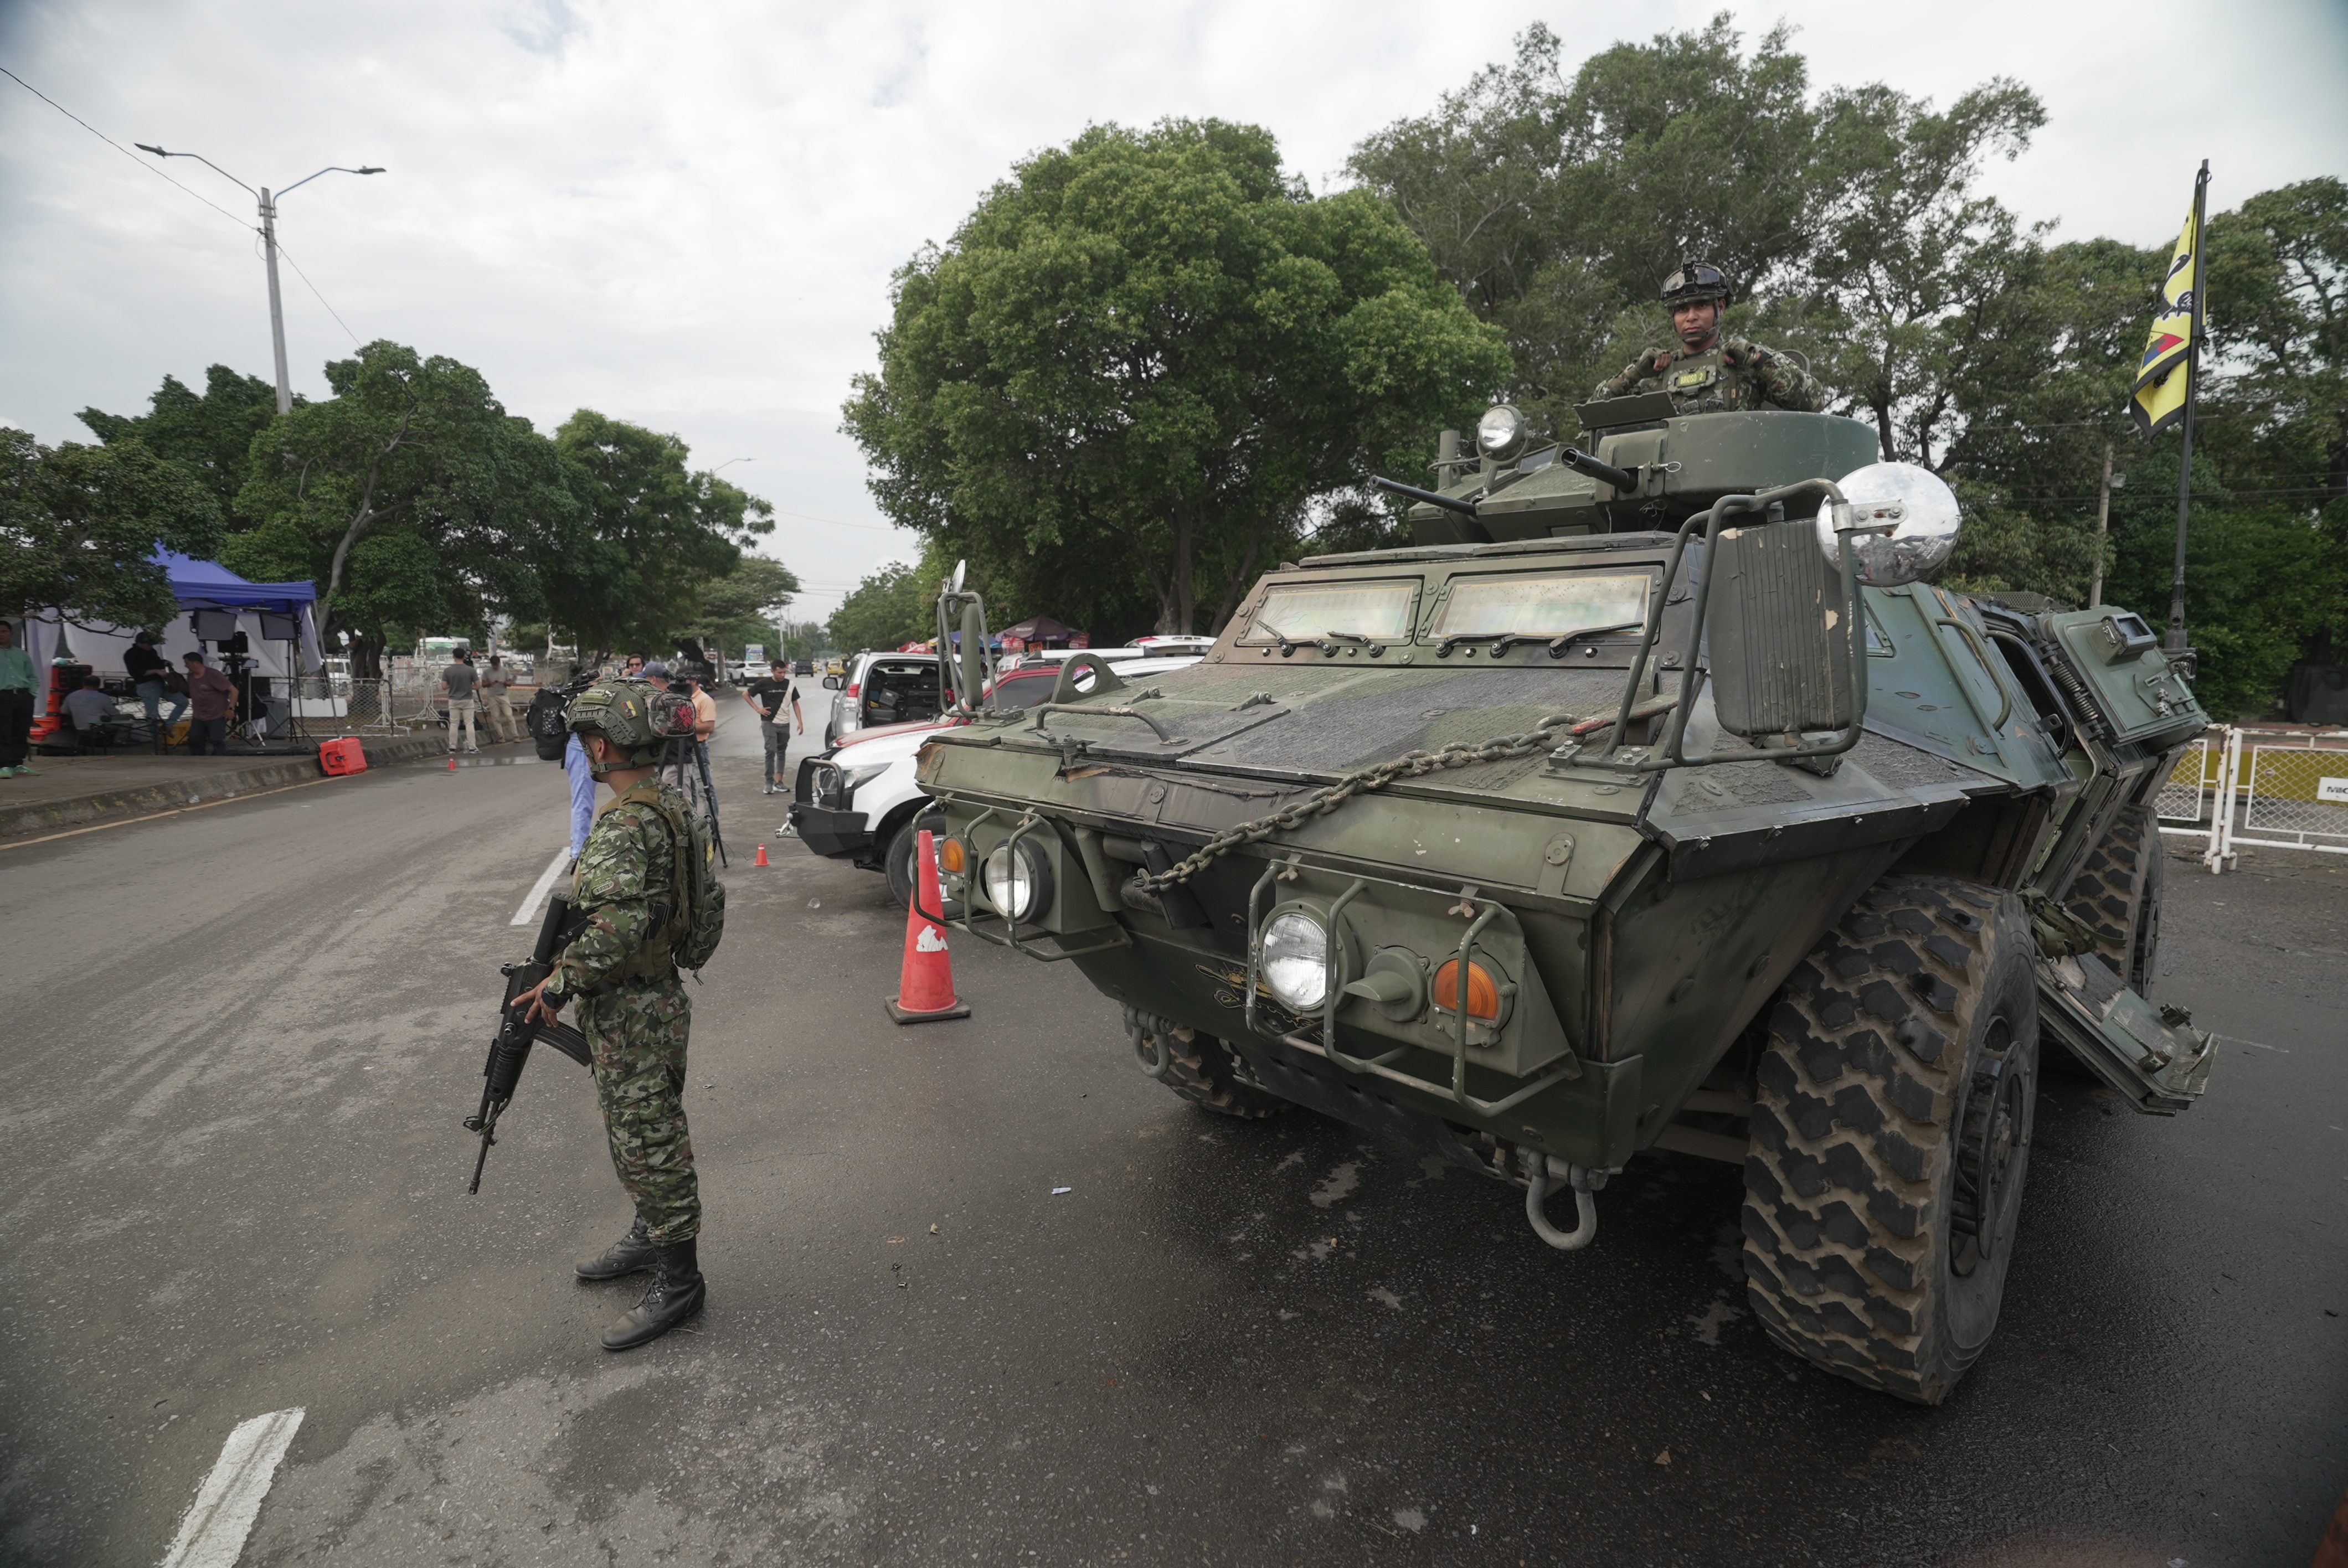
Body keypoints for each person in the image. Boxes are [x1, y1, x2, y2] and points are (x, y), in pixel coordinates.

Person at [514, 679, 707, 1350]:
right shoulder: (667, 803)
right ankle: (651, 1236)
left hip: (634, 1008)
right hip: (648, 999)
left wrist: (560, 983)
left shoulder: (628, 821)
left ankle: (679, 1280)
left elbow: (622, 922)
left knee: (651, 1142)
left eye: (582, 742)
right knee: (636, 1134)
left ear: (600, 745)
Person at [1592, 260, 1824, 414]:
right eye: (1682, 310)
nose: (1691, 317)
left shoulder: (1746, 365)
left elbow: (1812, 402)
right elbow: (1594, 414)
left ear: (1720, 308)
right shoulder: (1656, 375)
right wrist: (1635, 373)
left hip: (1737, 481)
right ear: (1673, 317)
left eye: (1701, 306)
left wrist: (1759, 357)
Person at [743, 659, 804, 795]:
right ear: (772, 671)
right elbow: (746, 694)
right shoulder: (764, 684)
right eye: (779, 673)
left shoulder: (790, 685)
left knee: (782, 751)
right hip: (769, 722)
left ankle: (779, 782)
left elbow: (795, 704)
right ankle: (769, 782)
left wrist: (800, 722)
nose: (783, 675)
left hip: (785, 723)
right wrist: (757, 709)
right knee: (770, 750)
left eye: (784, 672)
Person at [124, 631, 187, 751]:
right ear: (139, 643)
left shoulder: (152, 652)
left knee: (183, 702)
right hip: (146, 685)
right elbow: (135, 673)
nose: (151, 647)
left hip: (160, 684)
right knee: (152, 715)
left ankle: (168, 726)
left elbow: (158, 662)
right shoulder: (131, 654)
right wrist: (156, 671)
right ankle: (157, 741)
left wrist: (164, 663)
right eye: (148, 644)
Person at [182, 651, 239, 756]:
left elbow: (234, 691)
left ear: (196, 663)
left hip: (216, 714)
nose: (186, 666)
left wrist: (230, 708)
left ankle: (219, 760)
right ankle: (199, 760)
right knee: (195, 739)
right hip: (199, 714)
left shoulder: (213, 674)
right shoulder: (190, 677)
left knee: (217, 739)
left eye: (187, 663)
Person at [0, 620, 37, 778]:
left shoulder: (21, 654)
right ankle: (5, 764)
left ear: (11, 634)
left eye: (4, 631)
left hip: (23, 696)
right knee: (3, 731)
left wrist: (32, 694)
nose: (1, 635)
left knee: (21, 731)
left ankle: (18, 763)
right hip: (3, 695)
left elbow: (32, 676)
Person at [442, 651, 481, 754]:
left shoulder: (448, 671)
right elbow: (478, 686)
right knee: (469, 723)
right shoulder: (471, 670)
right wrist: (469, 686)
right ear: (464, 656)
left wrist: (453, 684)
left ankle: (452, 747)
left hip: (454, 699)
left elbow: (444, 686)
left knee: (454, 724)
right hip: (467, 699)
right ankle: (472, 747)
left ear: (453, 656)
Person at [62, 675, 117, 742]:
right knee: (129, 717)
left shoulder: (71, 696)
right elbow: (114, 713)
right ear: (99, 685)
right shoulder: (103, 697)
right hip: (98, 726)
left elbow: (64, 711)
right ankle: (120, 740)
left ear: (83, 684)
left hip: (80, 726)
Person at [480, 655, 518, 744]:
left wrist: (504, 682)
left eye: (496, 665)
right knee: (496, 717)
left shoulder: (505, 671)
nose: (495, 667)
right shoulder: (487, 672)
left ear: (499, 663)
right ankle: (501, 736)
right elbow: (483, 684)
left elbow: (510, 684)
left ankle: (515, 736)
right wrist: (489, 683)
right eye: (493, 665)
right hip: (492, 696)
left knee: (509, 716)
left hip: (503, 695)